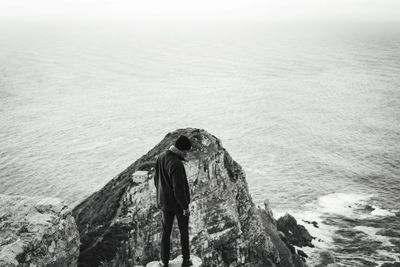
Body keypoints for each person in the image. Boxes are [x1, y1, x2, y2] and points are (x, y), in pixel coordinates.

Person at [154, 135, 193, 267]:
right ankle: (186, 260)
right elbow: (179, 190)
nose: (186, 154)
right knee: (184, 232)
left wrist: (162, 195)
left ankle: (163, 261)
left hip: (164, 203)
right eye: (186, 151)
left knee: (166, 232)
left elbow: (156, 180)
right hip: (177, 205)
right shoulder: (177, 164)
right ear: (181, 150)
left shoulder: (160, 157)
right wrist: (185, 207)